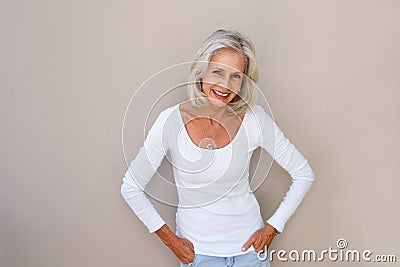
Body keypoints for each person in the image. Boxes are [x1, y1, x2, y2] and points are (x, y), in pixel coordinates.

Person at [121, 29, 315, 267]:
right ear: (201, 72)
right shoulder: (170, 121)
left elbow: (304, 173)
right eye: (217, 72)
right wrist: (171, 241)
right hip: (199, 256)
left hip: (251, 255)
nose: (225, 84)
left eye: (236, 76)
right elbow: (131, 187)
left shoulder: (254, 119)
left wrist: (272, 229)